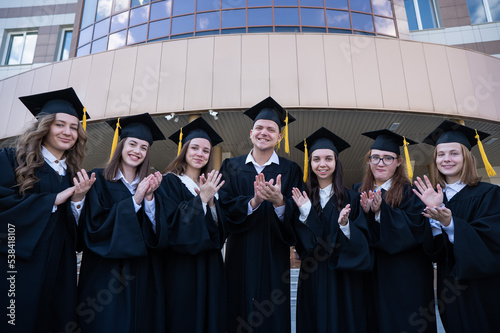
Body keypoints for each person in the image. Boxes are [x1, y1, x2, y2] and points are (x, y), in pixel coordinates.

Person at [0, 87, 95, 332]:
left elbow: (80, 233)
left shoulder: (75, 175)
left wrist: (78, 200)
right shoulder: (12, 160)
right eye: (59, 124)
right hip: (18, 265)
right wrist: (51, 200)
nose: (67, 132)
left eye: (74, 127)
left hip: (60, 268)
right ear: (44, 127)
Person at [219, 96, 303, 333]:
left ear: (279, 136)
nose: (264, 133)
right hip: (239, 254)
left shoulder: (290, 170)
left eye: (271, 129)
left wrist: (280, 203)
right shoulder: (231, 167)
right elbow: (224, 207)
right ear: (251, 133)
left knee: (271, 316)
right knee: (237, 310)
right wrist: (253, 202)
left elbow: (298, 214)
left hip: (273, 255)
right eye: (259, 128)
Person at [76, 113, 165, 332]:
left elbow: (157, 233)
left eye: (144, 147)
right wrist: (135, 200)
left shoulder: (149, 186)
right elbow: (94, 227)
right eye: (133, 144)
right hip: (105, 274)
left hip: (141, 273)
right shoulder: (97, 179)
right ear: (121, 145)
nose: (137, 151)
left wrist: (150, 198)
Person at [413, 120, 500, 332]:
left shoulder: (489, 194)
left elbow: (492, 241)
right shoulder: (433, 196)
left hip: (481, 286)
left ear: (467, 158)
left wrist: (449, 223)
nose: (446, 159)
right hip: (448, 286)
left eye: (454, 153)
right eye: (441, 155)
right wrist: (434, 221)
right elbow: (433, 252)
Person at [354, 129, 436, 333]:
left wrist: (382, 212)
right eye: (375, 158)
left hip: (405, 278)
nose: (380, 163)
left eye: (387, 158)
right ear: (369, 160)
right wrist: (363, 216)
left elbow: (416, 230)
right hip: (371, 277)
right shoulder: (357, 191)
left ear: (399, 162)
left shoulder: (411, 193)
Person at [291, 127, 372, 332]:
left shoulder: (351, 198)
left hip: (343, 278)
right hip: (313, 276)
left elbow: (362, 245)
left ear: (336, 163)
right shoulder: (302, 199)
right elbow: (306, 246)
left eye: (328, 158)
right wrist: (306, 212)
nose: (322, 164)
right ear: (310, 163)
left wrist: (346, 227)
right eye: (316, 159)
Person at [157, 116, 226, 332]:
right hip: (181, 268)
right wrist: (201, 200)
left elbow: (219, 233)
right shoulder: (169, 182)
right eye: (194, 147)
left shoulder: (210, 185)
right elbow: (170, 225)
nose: (200, 154)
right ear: (184, 150)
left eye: (206, 151)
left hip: (210, 266)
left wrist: (212, 202)